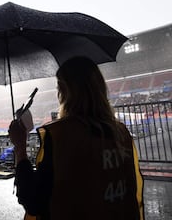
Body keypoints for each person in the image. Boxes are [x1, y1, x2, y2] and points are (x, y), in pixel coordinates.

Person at [9, 56, 144, 220]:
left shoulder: (61, 135)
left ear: (66, 91)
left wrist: (20, 147)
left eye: (59, 87)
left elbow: (34, 201)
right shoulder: (121, 133)